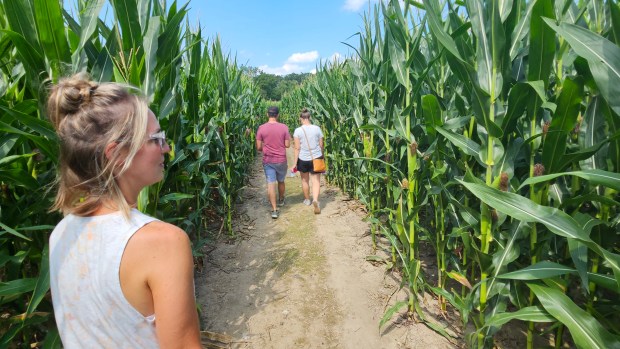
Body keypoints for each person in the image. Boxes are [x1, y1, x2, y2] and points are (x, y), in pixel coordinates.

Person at [47, 74, 201, 348]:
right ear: (116, 154)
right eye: (156, 139)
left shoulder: (61, 233)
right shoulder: (163, 242)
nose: (166, 148)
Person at [256, 106, 291, 219]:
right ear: (277, 115)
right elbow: (287, 145)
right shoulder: (284, 127)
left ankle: (274, 210)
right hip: (281, 160)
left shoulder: (261, 128)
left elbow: (258, 147)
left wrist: (265, 148)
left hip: (268, 160)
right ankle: (281, 200)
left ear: (267, 114)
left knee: (271, 184)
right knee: (281, 181)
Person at [292, 108, 324, 214]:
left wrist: (294, 162)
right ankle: (315, 199)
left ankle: (307, 200)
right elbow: (321, 145)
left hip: (303, 158)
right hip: (316, 157)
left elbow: (297, 148)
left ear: (301, 118)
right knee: (316, 181)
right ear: (309, 117)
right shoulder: (317, 128)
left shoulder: (298, 130)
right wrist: (322, 156)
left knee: (305, 180)